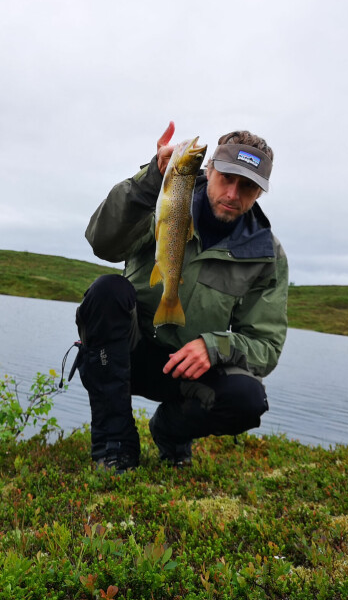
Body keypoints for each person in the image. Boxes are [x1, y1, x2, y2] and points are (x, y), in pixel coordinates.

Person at [72, 122, 289, 470]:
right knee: (106, 292)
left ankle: (170, 433)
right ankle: (115, 444)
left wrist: (214, 347)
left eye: (247, 186)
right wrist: (149, 182)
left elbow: (266, 344)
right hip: (129, 353)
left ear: (260, 193)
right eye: (227, 178)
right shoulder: (166, 200)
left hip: (188, 372)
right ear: (210, 169)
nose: (233, 194)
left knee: (246, 399)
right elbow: (102, 242)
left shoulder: (265, 254)